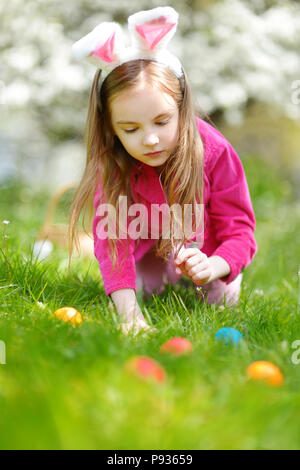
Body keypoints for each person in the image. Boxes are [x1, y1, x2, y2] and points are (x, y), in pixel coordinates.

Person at [69, 7, 257, 335]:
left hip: (208, 257)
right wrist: (129, 316)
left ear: (182, 108)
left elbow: (240, 229)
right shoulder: (114, 164)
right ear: (110, 128)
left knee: (220, 301)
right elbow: (114, 243)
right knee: (147, 291)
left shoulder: (214, 151)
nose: (151, 139)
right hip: (150, 260)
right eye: (130, 129)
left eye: (162, 121)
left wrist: (215, 264)